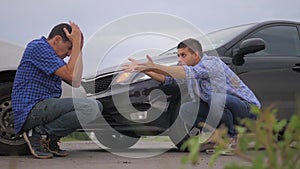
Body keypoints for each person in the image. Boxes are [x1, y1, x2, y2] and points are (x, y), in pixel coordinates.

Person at [123, 38, 260, 153]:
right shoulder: (189, 69)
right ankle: (217, 139)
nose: (180, 59)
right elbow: (167, 79)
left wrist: (153, 66)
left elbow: (182, 72)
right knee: (186, 109)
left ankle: (230, 139)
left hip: (247, 110)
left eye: (183, 55)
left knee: (216, 97)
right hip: (223, 108)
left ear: (196, 55)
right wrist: (145, 69)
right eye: (178, 55)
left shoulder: (211, 63)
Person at [12, 21, 103, 159]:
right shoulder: (38, 47)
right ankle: (37, 133)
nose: (69, 54)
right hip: (30, 109)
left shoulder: (53, 56)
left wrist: (78, 49)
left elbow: (76, 81)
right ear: (57, 40)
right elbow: (72, 74)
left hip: (44, 108)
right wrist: (76, 44)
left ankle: (49, 140)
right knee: (90, 107)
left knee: (96, 107)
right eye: (69, 48)